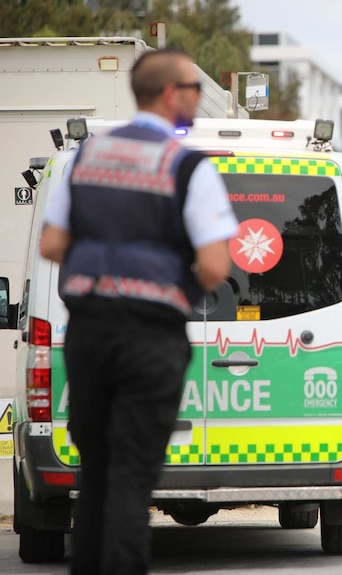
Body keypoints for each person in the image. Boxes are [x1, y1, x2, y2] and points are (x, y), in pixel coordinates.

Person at [39, 49, 238, 574]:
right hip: (150, 337)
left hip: (87, 332)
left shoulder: (88, 156)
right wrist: (162, 275)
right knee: (131, 474)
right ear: (172, 94)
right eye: (195, 89)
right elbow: (216, 265)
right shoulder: (185, 165)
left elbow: (53, 243)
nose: (198, 99)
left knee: (96, 472)